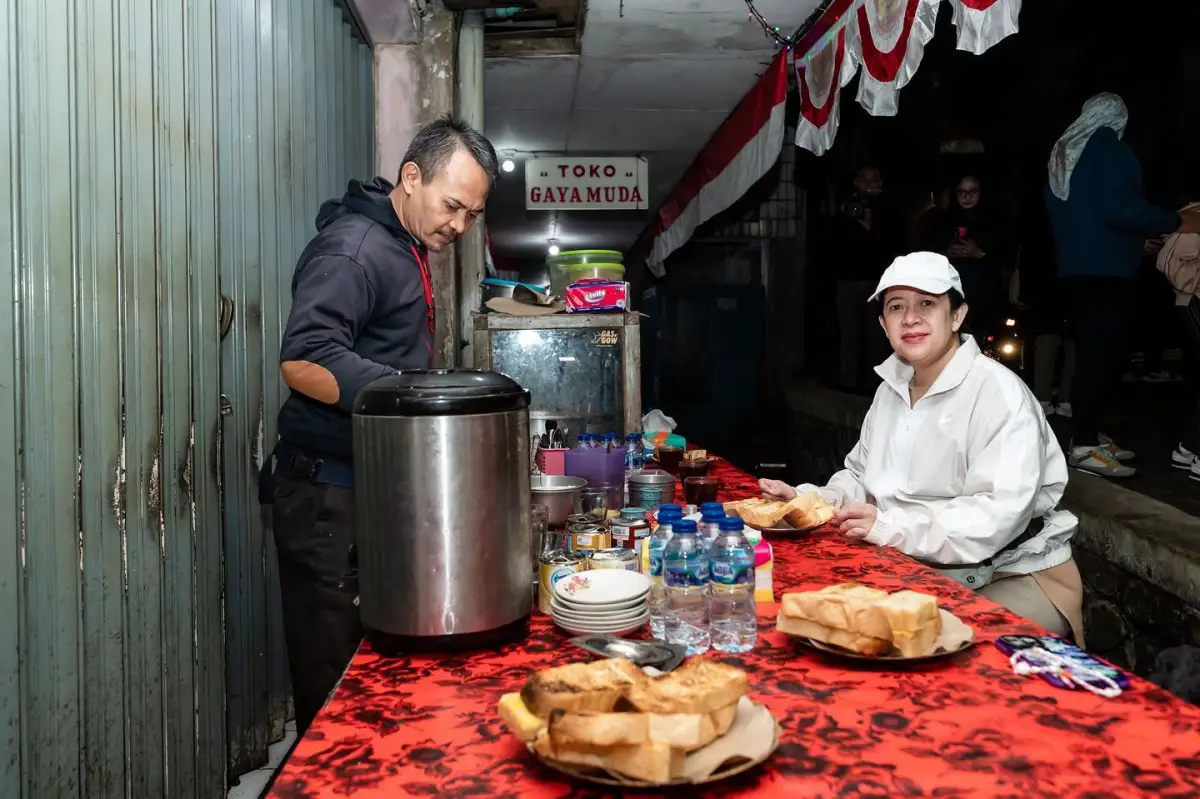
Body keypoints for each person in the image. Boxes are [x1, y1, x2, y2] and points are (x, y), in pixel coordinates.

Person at [263, 116, 498, 732]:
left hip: (362, 487)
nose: (460, 225)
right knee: (336, 686)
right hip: (324, 495)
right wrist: (411, 394)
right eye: (453, 206)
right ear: (411, 177)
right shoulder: (356, 247)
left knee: (374, 674)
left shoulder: (406, 245)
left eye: (472, 214)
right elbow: (304, 358)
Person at [760, 252, 1085, 643]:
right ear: (884, 324)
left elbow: (994, 518)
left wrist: (889, 527)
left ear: (957, 316)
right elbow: (862, 475)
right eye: (897, 307)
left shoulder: (998, 394)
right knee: (820, 623)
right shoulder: (891, 389)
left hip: (1011, 574)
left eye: (927, 304)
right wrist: (808, 500)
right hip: (916, 565)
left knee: (923, 653)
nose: (910, 318)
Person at [1044, 92, 1200, 478]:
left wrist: (1133, 239)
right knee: (1101, 357)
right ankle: (1084, 446)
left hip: (1076, 270)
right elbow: (1119, 208)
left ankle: (1088, 431)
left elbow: (1090, 217)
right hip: (1107, 272)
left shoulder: (1063, 153)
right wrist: (1172, 222)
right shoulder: (1110, 149)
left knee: (1090, 354)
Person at [832, 165, 903, 390]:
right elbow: (833, 242)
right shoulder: (847, 207)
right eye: (865, 179)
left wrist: (870, 226)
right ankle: (848, 381)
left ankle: (877, 384)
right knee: (848, 334)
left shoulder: (888, 209)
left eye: (874, 179)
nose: (869, 184)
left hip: (877, 283)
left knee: (877, 335)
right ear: (856, 181)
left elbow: (893, 245)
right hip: (847, 281)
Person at [920, 174, 1007, 346]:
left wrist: (979, 253)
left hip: (981, 300)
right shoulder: (941, 221)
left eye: (973, 192)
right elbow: (924, 254)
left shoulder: (994, 222)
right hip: (947, 296)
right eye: (962, 192)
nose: (967, 197)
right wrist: (944, 255)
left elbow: (1005, 257)